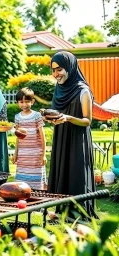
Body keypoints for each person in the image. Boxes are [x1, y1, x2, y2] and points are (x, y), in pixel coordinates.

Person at [47, 51, 98, 219]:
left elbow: (87, 121)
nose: (56, 74)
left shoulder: (83, 91)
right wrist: (52, 118)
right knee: (63, 170)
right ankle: (63, 212)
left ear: (69, 67)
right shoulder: (59, 89)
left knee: (76, 172)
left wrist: (68, 118)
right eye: (53, 70)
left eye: (59, 69)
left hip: (78, 138)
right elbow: (58, 112)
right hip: (62, 136)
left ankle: (79, 213)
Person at [12, 87, 47, 189]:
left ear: (32, 101)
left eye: (27, 101)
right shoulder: (17, 117)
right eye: (21, 102)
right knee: (22, 183)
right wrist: (16, 153)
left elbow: (42, 135)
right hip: (23, 154)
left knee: (36, 179)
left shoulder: (36, 116)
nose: (24, 104)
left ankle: (37, 198)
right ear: (18, 103)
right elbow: (18, 136)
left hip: (36, 153)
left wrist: (43, 154)